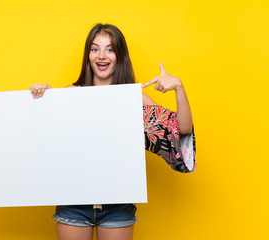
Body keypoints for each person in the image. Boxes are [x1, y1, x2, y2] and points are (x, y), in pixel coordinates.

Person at [30, 23, 194, 240]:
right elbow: (42, 137)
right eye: (95, 49)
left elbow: (182, 128)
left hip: (118, 203)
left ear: (119, 56)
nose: (101, 56)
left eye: (110, 49)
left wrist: (178, 87)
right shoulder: (69, 95)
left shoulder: (135, 99)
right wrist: (43, 99)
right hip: (74, 200)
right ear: (88, 55)